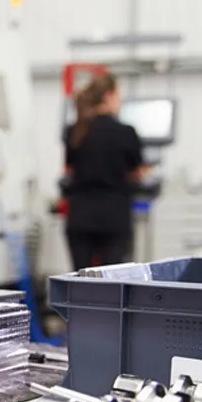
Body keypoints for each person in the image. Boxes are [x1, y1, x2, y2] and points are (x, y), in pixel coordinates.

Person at [62, 73, 147, 270]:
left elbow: (71, 169)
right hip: (113, 217)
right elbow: (136, 173)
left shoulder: (74, 131)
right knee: (111, 281)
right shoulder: (126, 132)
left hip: (79, 216)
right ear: (108, 97)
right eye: (118, 96)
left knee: (79, 279)